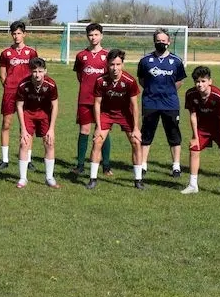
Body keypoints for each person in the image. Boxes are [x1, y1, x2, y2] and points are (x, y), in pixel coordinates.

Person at [86, 49, 143, 190]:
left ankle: (138, 180)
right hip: (106, 114)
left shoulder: (130, 81)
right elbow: (97, 104)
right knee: (97, 141)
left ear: (123, 64)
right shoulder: (101, 81)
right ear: (107, 64)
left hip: (125, 114)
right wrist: (98, 127)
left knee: (136, 142)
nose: (115, 68)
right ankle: (92, 179)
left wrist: (136, 128)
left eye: (118, 64)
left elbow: (135, 105)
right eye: (112, 64)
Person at [137, 28, 187, 177]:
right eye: (158, 41)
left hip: (170, 104)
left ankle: (176, 166)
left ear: (169, 42)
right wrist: (152, 90)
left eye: (163, 41)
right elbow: (142, 80)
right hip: (150, 103)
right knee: (146, 134)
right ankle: (143, 165)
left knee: (173, 134)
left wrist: (168, 91)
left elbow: (179, 81)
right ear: (154, 42)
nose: (161, 43)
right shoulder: (145, 61)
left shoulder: (176, 61)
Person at [182, 66, 220, 198]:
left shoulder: (218, 96)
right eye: (197, 81)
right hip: (203, 127)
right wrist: (195, 137)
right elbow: (193, 116)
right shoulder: (190, 94)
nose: (200, 84)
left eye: (203, 81)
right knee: (194, 149)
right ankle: (193, 185)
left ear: (210, 81)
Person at [15, 56, 60, 189]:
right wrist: (23, 128)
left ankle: (49, 178)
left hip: (45, 116)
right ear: (30, 71)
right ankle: (23, 178)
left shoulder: (51, 85)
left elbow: (55, 106)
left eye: (40, 71)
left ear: (45, 71)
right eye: (34, 71)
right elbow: (19, 106)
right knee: (24, 143)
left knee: (49, 144)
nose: (37, 74)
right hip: (28, 115)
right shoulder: (23, 85)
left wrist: (52, 129)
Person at [73, 23, 112, 176]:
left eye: (96, 34)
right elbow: (79, 76)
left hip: (103, 100)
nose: (93, 37)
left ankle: (106, 166)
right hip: (85, 98)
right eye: (90, 35)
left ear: (101, 36)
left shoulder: (107, 56)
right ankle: (80, 165)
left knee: (102, 131)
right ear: (87, 36)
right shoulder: (81, 55)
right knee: (84, 130)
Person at [0, 21, 37, 170]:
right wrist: (9, 86)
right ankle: (5, 159)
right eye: (14, 33)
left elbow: (36, 72)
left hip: (27, 93)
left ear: (24, 34)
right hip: (10, 92)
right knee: (6, 124)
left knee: (26, 126)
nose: (16, 36)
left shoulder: (31, 53)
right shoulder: (6, 53)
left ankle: (28, 159)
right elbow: (2, 74)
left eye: (19, 33)